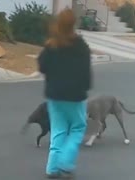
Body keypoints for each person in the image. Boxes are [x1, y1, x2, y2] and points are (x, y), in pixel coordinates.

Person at [37, 8, 92, 179]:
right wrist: (85, 87)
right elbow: (86, 73)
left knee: (58, 130)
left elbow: (42, 67)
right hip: (75, 97)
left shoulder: (51, 45)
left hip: (54, 96)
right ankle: (65, 162)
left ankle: (52, 167)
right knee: (77, 127)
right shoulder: (81, 46)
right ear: (73, 24)